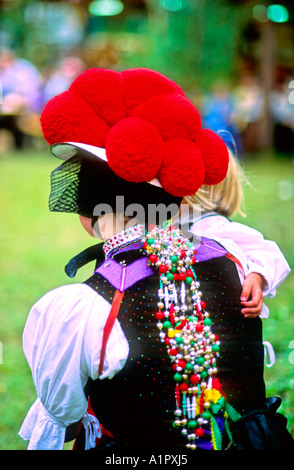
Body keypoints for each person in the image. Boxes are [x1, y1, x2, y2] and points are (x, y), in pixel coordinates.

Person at [19, 68, 294, 452]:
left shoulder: (83, 306)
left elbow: (62, 417)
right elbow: (266, 254)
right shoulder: (234, 255)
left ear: (88, 211)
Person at [179, 131, 290, 322]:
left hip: (222, 327)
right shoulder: (175, 226)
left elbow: (270, 252)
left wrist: (256, 277)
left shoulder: (212, 228)